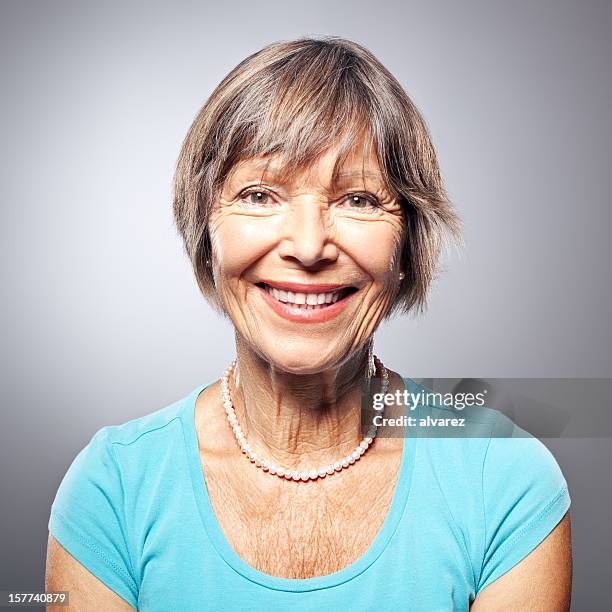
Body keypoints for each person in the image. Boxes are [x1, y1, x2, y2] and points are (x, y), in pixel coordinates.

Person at [45, 36, 572, 611]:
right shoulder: (115, 488)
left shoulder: (504, 480)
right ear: (206, 231)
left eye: (361, 200)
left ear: (409, 243)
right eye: (259, 193)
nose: (308, 244)